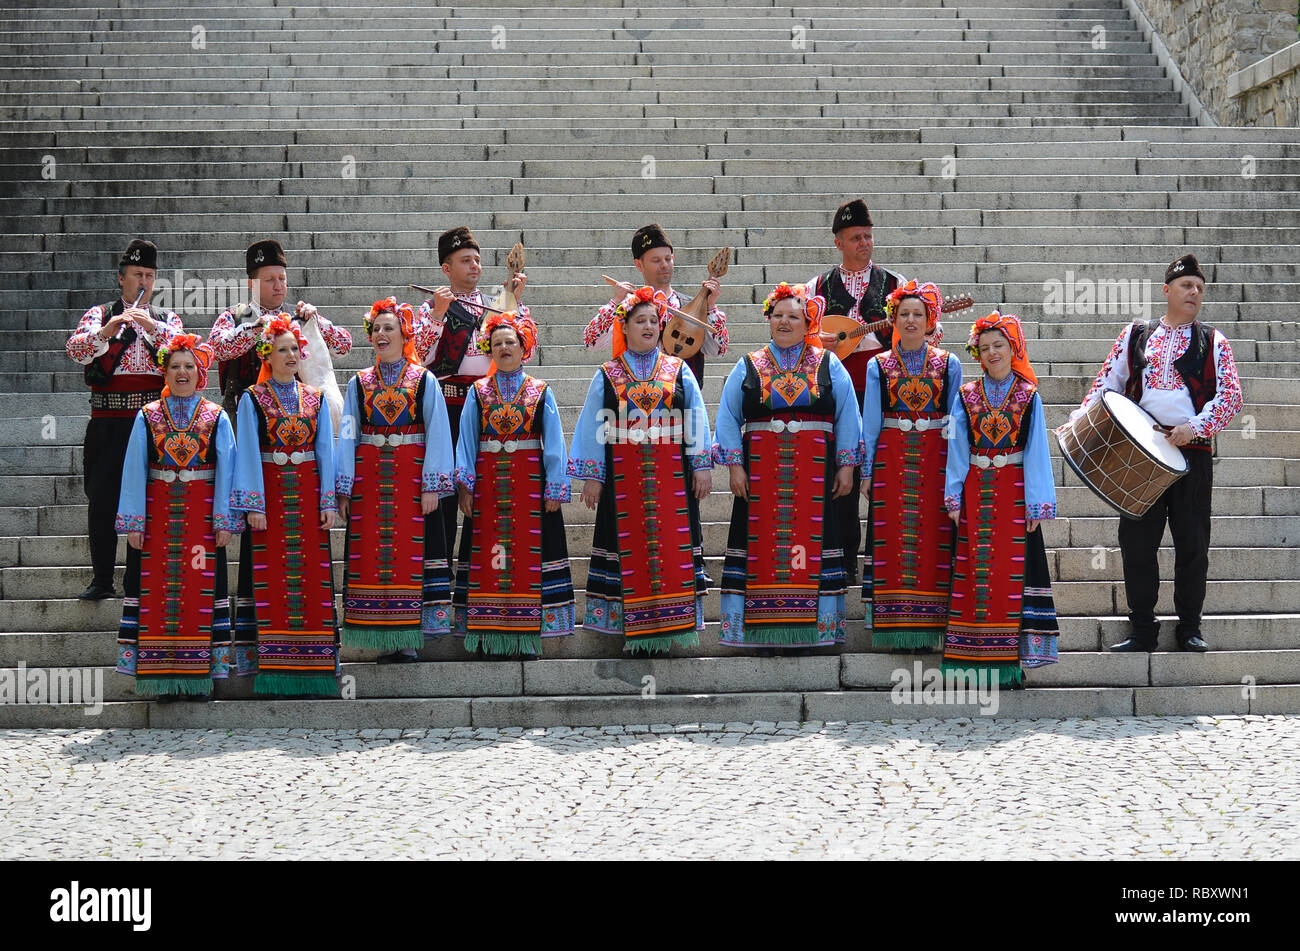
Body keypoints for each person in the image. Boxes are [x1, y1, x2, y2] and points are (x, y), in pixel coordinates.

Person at [1063, 253, 1243, 653]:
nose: (1194, 292)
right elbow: (1105, 384)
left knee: (1193, 543)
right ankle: (1142, 629)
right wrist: (1078, 420)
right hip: (1138, 453)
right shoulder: (1136, 334)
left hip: (1191, 454)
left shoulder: (1214, 340)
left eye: (1199, 287)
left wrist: (1192, 428)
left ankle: (1190, 628)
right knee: (1137, 542)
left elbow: (1231, 397)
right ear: (1166, 291)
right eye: (1186, 286)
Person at [712, 282, 861, 654]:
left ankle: (811, 631)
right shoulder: (748, 364)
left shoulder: (829, 363)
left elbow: (848, 416)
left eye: (793, 316)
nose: (784, 321)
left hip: (815, 474)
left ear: (807, 320)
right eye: (777, 315)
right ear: (768, 319)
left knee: (809, 548)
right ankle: (764, 631)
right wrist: (734, 465)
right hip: (761, 475)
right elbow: (729, 416)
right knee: (764, 548)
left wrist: (846, 466)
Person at [569, 286, 713, 655]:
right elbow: (591, 425)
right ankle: (632, 629)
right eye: (640, 321)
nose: (649, 327)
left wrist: (701, 465)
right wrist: (592, 475)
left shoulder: (678, 369)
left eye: (654, 321)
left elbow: (695, 415)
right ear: (625, 326)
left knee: (670, 545)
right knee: (627, 547)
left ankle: (671, 626)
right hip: (623, 478)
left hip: (672, 477)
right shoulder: (607, 373)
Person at [114, 335, 242, 701]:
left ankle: (200, 675)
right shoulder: (148, 414)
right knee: (159, 593)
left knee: (199, 589)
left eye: (189, 366)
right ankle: (162, 677)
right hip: (158, 519)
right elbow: (135, 469)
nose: (182, 372)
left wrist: (224, 521)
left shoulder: (215, 416)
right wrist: (134, 522)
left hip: (201, 519)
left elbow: (227, 471)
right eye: (175, 367)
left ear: (200, 373)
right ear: (164, 372)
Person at [803, 199, 917, 587]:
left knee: (885, 472)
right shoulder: (816, 287)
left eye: (868, 236)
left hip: (883, 391)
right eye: (856, 238)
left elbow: (922, 332)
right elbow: (799, 339)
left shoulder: (896, 285)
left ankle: (885, 564)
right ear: (838, 243)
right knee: (842, 472)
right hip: (835, 392)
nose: (864, 243)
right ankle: (844, 557)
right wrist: (826, 341)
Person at [336, 298, 455, 663]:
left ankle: (409, 637)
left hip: (410, 479)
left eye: (389, 328)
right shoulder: (359, 384)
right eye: (376, 329)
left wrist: (433, 484)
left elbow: (437, 430)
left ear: (405, 334)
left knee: (409, 552)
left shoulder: (424, 380)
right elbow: (348, 433)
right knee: (376, 554)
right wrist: (344, 486)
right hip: (371, 481)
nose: (382, 334)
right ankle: (385, 636)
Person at [943, 312, 1058, 688]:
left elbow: (1038, 449)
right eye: (985, 346)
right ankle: (974, 661)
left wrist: (1037, 503)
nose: (992, 352)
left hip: (1014, 490)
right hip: (977, 489)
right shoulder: (966, 395)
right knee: (977, 573)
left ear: (1014, 349)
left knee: (1014, 574)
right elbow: (957, 447)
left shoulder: (1029, 396)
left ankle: (1012, 664)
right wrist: (954, 495)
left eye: (999, 346)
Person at [451, 310, 575, 658]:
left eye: (511, 342)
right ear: (489, 350)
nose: (504, 347)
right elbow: (467, 440)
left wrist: (555, 487)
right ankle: (492, 634)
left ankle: (525, 636)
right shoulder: (477, 392)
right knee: (494, 556)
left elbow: (554, 442)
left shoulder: (540, 391)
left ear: (524, 348)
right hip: (489, 487)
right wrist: (465, 485)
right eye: (497, 343)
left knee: (525, 557)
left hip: (529, 488)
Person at [65, 238, 183, 600]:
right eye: (136, 275)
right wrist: (107, 330)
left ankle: (137, 581)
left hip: (151, 424)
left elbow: (186, 354)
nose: (143, 282)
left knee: (147, 500)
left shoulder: (165, 319)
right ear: (121, 279)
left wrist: (151, 329)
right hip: (107, 422)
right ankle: (102, 579)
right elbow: (75, 350)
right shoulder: (99, 314)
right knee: (102, 498)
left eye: (149, 275)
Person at [230, 316, 340, 696]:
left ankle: (315, 668)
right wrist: (253, 504)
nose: (292, 355)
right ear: (267, 355)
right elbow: (245, 452)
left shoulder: (316, 397)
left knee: (311, 577)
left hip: (308, 498)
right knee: (271, 575)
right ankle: (273, 667)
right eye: (283, 349)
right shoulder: (251, 399)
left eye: (295, 348)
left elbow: (326, 450)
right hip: (271, 501)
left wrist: (328, 500)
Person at [860, 280, 963, 652]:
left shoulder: (950, 364)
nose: (910, 320)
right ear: (892, 320)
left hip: (936, 457)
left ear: (931, 319)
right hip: (892, 458)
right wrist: (867, 470)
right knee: (895, 539)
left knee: (932, 538)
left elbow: (955, 420)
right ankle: (895, 627)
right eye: (903, 314)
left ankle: (930, 627)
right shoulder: (878, 366)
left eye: (918, 314)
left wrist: (957, 470)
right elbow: (871, 421)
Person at [415, 225, 528, 560]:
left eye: (477, 260)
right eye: (465, 260)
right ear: (446, 269)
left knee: (490, 488)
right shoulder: (431, 307)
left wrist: (514, 306)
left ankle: (480, 579)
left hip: (487, 407)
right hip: (446, 407)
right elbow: (418, 355)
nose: (475, 266)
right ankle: (438, 573)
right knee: (445, 492)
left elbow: (524, 348)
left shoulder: (496, 306)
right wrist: (437, 314)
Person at [207, 238, 351, 425]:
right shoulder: (236, 316)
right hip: (248, 415)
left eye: (282, 278)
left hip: (298, 417)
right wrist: (254, 330)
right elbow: (214, 349)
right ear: (251, 284)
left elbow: (344, 346)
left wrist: (317, 323)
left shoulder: (299, 315)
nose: (278, 285)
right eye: (269, 280)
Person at [585, 222, 728, 396]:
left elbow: (718, 350)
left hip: (681, 400)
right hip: (634, 398)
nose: (664, 265)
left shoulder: (692, 307)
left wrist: (711, 307)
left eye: (668, 259)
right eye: (656, 260)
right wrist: (615, 301)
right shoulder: (628, 307)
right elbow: (592, 341)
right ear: (639, 265)